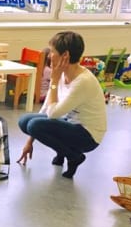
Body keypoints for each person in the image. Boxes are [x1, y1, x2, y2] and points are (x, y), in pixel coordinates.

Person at [17, 31, 107, 179]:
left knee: (35, 125)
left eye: (52, 52)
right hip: (69, 123)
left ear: (65, 56)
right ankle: (62, 152)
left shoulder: (82, 81)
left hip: (88, 135)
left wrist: (53, 81)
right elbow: (46, 108)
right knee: (25, 121)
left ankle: (73, 156)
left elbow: (52, 114)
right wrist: (29, 141)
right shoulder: (61, 73)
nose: (49, 55)